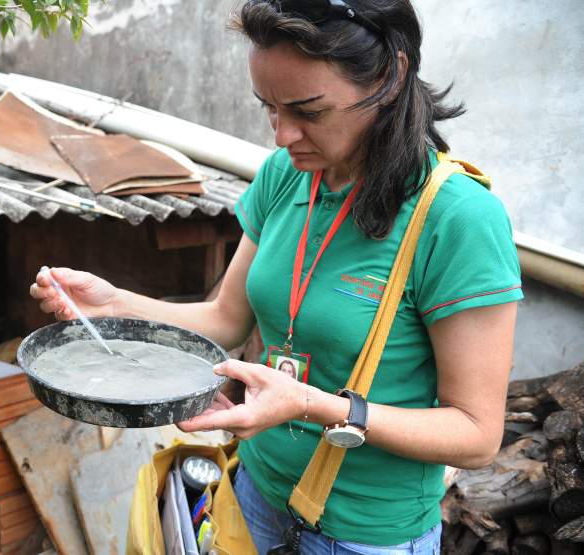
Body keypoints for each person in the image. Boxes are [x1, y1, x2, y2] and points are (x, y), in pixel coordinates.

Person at [30, 0, 522, 552]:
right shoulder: (283, 178)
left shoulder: (456, 219)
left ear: (391, 76)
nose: (283, 135)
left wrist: (313, 405)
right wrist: (116, 306)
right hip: (254, 494)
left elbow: (477, 436)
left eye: (309, 111)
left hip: (364, 537)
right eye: (269, 108)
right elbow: (226, 318)